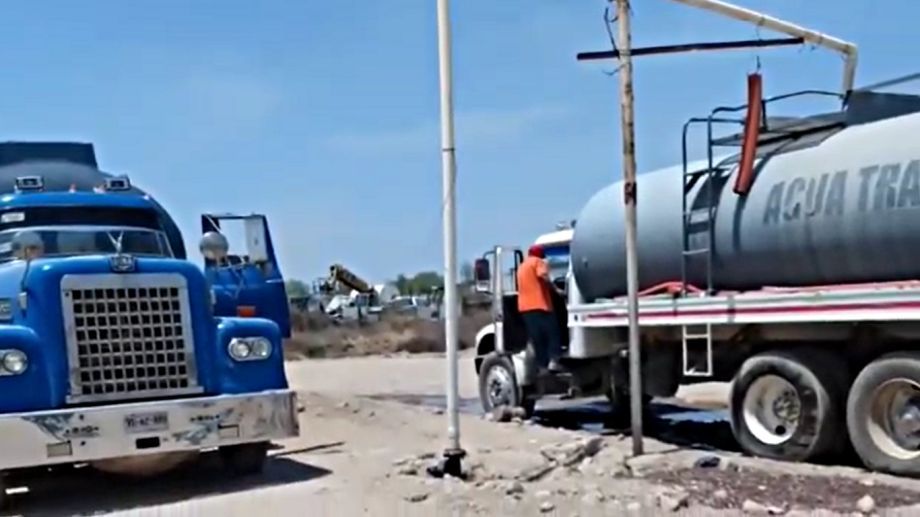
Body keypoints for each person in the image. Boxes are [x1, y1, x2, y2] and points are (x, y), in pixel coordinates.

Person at [516, 244, 564, 374]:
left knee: (537, 338)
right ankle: (554, 360)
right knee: (553, 333)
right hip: (541, 305)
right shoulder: (538, 262)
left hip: (525, 308)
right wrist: (556, 290)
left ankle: (542, 366)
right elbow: (543, 276)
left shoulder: (521, 266)